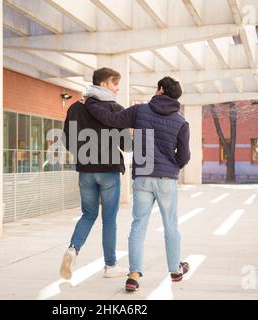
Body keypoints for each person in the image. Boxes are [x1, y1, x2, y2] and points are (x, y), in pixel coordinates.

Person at [85, 76, 191, 292]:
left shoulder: (140, 111)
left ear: (160, 89)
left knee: (138, 226)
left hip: (142, 177)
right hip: (166, 180)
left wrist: (91, 102)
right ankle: (175, 271)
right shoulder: (181, 122)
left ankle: (133, 275)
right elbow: (185, 156)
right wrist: (174, 165)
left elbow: (110, 119)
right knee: (171, 226)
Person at [59, 68, 131, 280]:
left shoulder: (75, 108)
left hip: (86, 170)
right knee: (109, 219)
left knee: (88, 214)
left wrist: (83, 153)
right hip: (108, 172)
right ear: (104, 84)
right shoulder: (116, 109)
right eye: (115, 84)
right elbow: (126, 145)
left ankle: (73, 249)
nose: (118, 89)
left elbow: (66, 139)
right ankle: (110, 266)